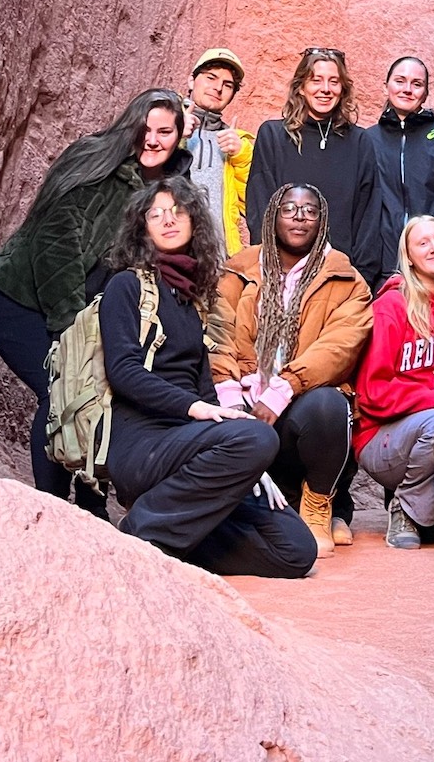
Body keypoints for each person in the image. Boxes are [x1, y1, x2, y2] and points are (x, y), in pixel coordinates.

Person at [0, 88, 190, 513]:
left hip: (90, 316)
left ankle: (90, 506)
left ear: (178, 136)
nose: (152, 140)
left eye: (164, 132)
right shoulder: (94, 160)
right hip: (23, 301)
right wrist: (69, 327)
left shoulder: (171, 190)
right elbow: (54, 243)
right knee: (60, 392)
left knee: (101, 400)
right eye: (145, 129)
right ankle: (55, 510)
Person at [98, 177, 317, 577]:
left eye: (178, 211)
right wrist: (197, 410)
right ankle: (141, 530)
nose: (168, 220)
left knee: (296, 551)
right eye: (156, 215)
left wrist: (250, 467)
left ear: (194, 222)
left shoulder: (193, 299)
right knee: (258, 436)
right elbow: (124, 371)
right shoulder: (125, 286)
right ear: (142, 228)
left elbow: (205, 388)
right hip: (141, 447)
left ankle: (170, 543)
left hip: (195, 452)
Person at [212, 183, 373, 557]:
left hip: (299, 409)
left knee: (328, 406)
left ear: (322, 221)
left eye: (310, 211)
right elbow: (217, 334)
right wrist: (232, 397)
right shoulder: (238, 271)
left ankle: (319, 504)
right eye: (289, 209)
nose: (299, 218)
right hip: (244, 401)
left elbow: (338, 347)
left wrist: (282, 388)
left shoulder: (347, 280)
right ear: (272, 216)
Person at [353, 215, 434, 549]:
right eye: (423, 243)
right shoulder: (391, 306)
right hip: (381, 439)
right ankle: (406, 508)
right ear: (409, 257)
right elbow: (373, 393)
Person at [245, 48, 382, 290]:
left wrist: (360, 279)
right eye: (316, 80)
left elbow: (368, 216)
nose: (325, 89)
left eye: (334, 81)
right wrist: (273, 273)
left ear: (343, 89)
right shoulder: (273, 136)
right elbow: (260, 208)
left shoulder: (360, 142)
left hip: (340, 278)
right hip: (283, 278)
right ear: (301, 87)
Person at [366, 56, 434, 274]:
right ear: (386, 86)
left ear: (426, 93)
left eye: (417, 84)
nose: (407, 89)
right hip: (385, 268)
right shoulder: (368, 141)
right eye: (400, 81)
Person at [182, 47, 254, 256]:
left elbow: (252, 204)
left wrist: (241, 156)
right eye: (211, 77)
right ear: (191, 81)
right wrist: (173, 133)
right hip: (167, 256)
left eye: (228, 85)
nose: (218, 88)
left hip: (218, 258)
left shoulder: (236, 143)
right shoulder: (161, 124)